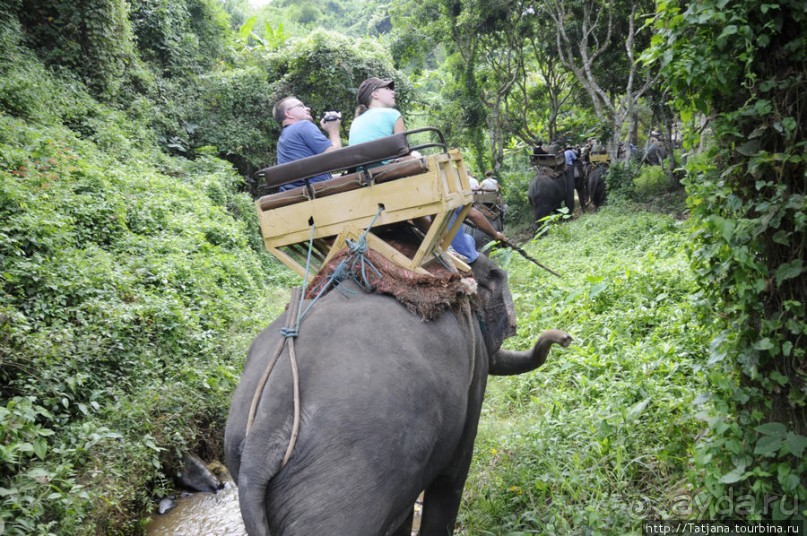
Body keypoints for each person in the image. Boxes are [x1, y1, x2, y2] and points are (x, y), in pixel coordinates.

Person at [273, 96, 342, 191]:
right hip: (315, 193)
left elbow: (308, 177)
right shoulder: (303, 126)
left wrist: (342, 175)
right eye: (301, 106)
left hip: (296, 192)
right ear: (288, 113)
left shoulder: (284, 138)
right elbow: (336, 157)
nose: (308, 108)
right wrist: (333, 129)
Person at [348, 77, 405, 145]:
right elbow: (403, 149)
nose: (393, 92)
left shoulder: (356, 121)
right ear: (375, 94)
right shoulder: (392, 114)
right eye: (387, 89)